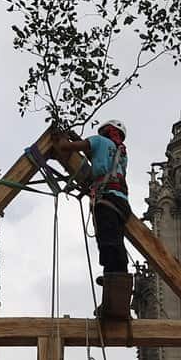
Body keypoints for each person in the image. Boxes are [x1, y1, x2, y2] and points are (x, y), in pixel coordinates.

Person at [54, 119, 133, 319]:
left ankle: (114, 290)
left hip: (106, 199)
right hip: (122, 203)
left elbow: (65, 148)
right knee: (116, 245)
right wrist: (75, 136)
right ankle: (117, 291)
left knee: (108, 245)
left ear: (105, 131)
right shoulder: (121, 152)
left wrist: (61, 138)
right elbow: (93, 155)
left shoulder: (98, 141)